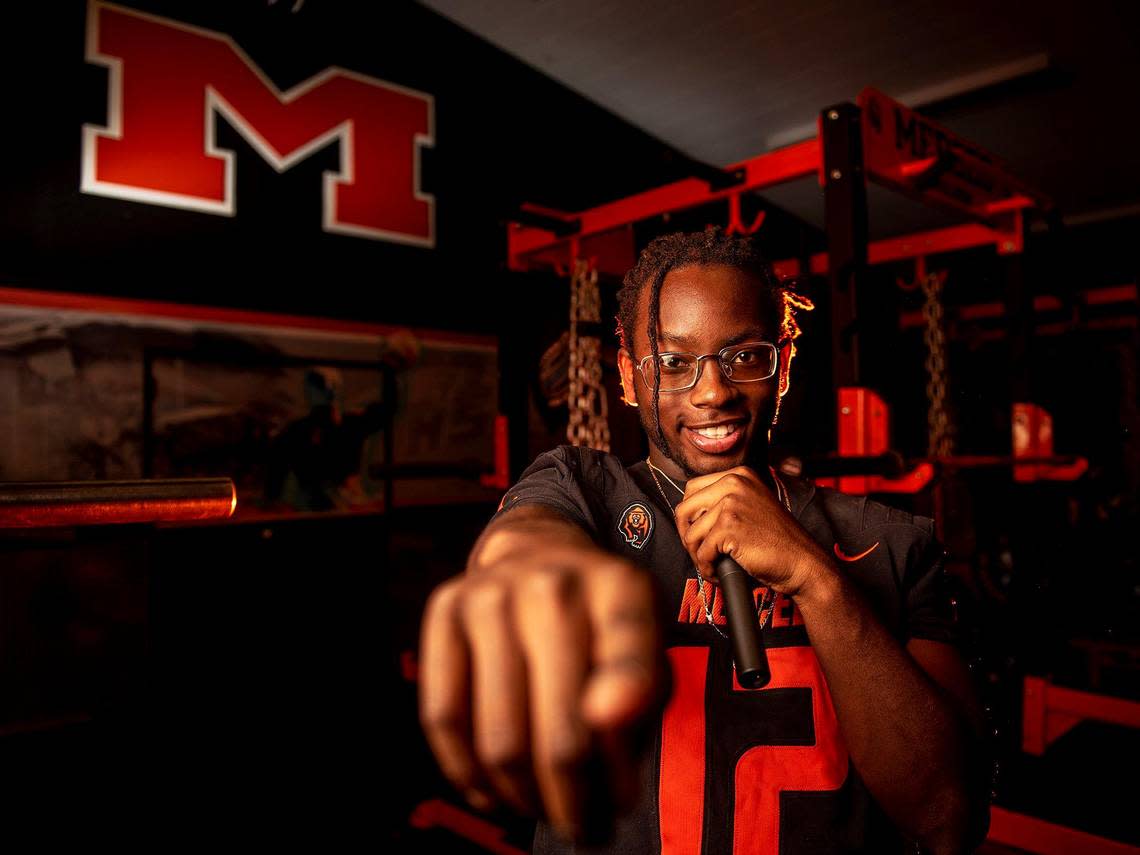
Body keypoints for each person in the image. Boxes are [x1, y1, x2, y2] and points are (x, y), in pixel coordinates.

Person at [419, 227, 991, 854]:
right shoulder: (582, 490)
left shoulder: (888, 542)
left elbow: (947, 819)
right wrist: (524, 570)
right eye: (672, 362)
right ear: (630, 378)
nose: (713, 391)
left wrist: (815, 579)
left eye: (743, 355)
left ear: (783, 365)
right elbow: (532, 532)